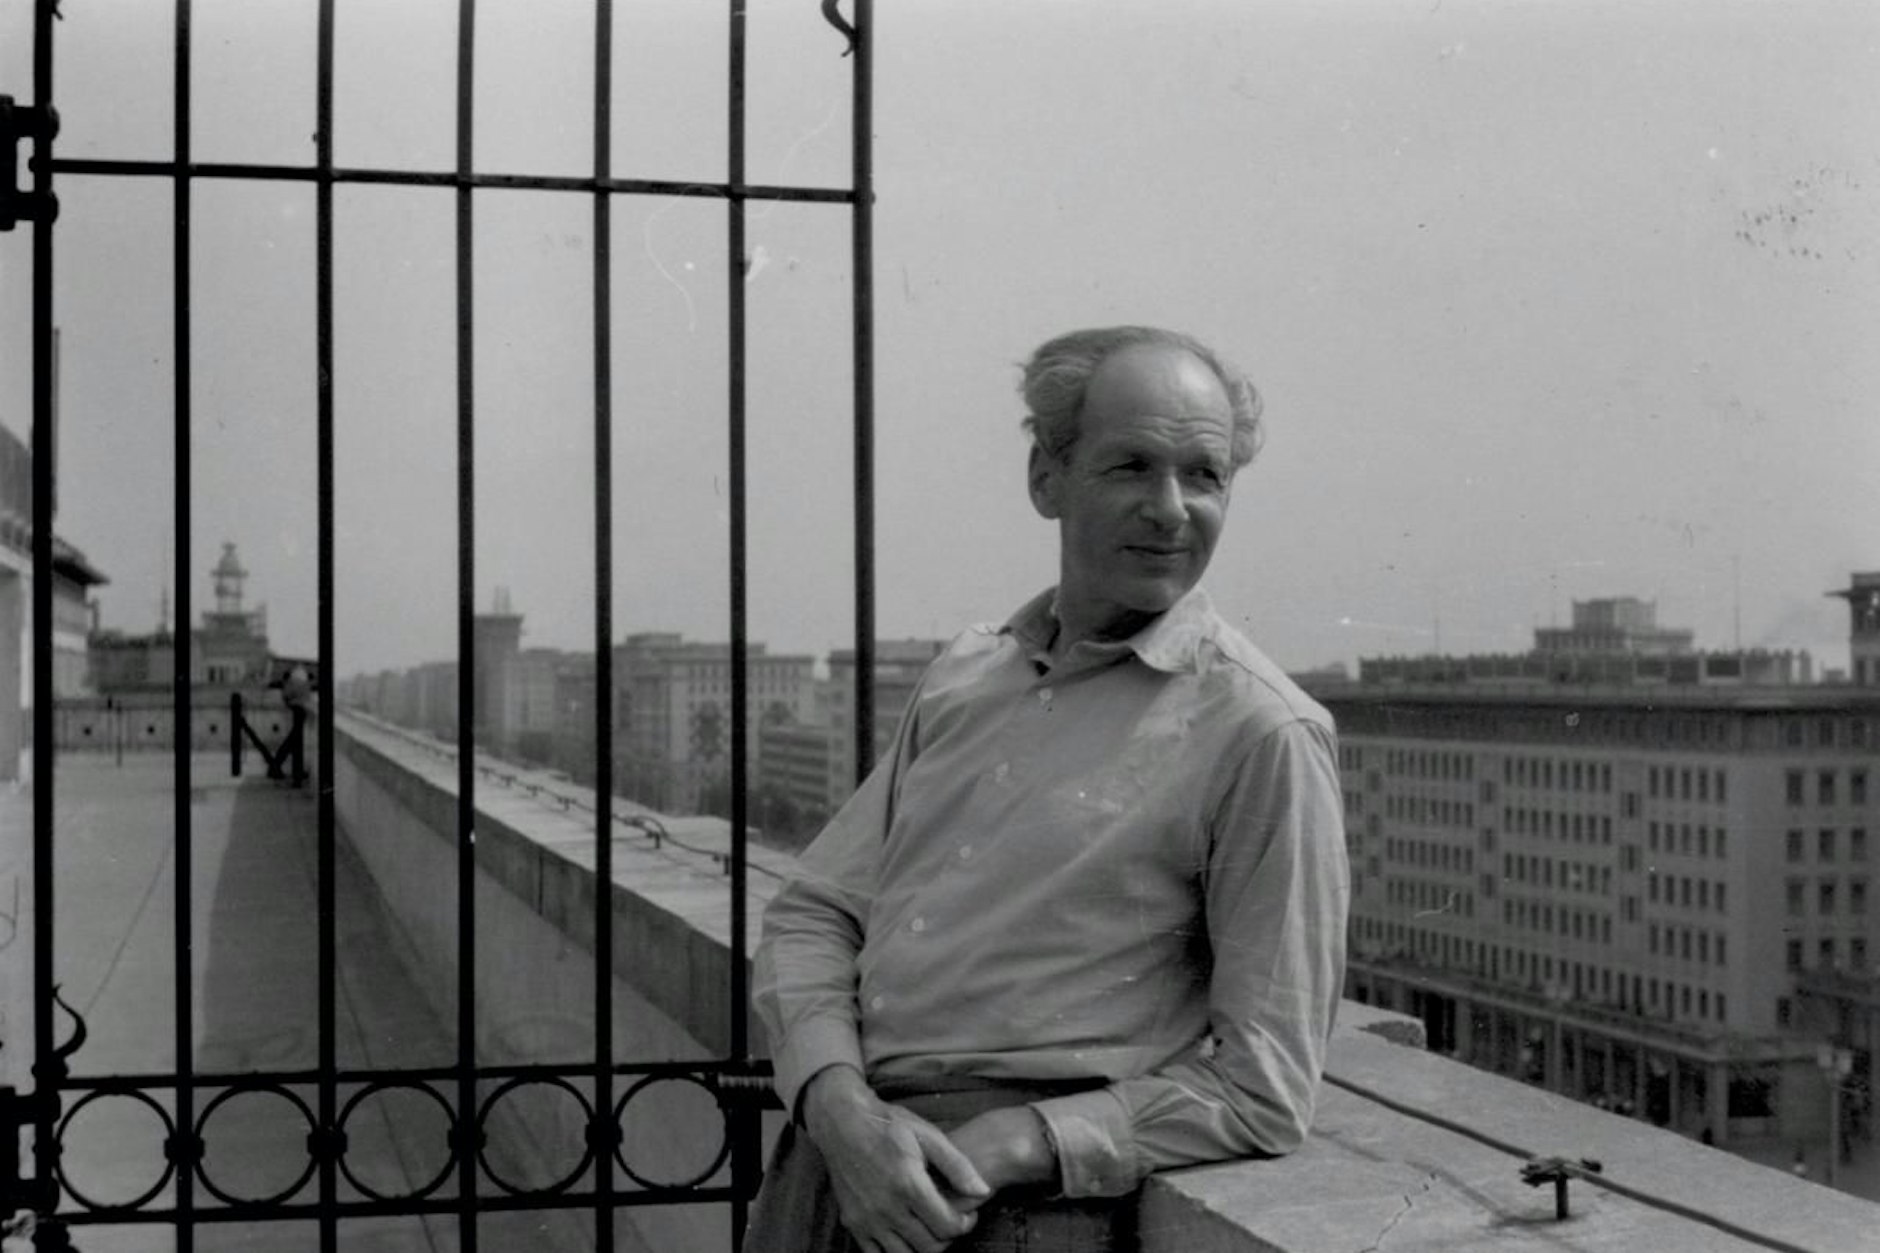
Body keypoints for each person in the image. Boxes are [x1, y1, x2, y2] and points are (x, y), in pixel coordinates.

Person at [748, 326, 1349, 1252]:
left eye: (1204, 475)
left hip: (1007, 1212)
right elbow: (814, 912)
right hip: (829, 1172)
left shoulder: (1262, 730)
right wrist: (837, 1106)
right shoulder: (967, 673)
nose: (1170, 509)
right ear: (1045, 478)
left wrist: (1017, 1140)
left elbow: (1264, 1086)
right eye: (1131, 466)